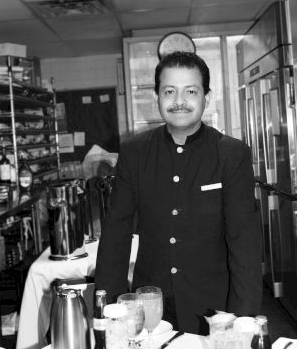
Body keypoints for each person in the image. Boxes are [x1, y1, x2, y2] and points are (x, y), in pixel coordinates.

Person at [95, 51, 262, 334]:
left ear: (206, 98)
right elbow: (116, 235)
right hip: (151, 306)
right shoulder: (135, 153)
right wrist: (109, 312)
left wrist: (243, 320)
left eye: (191, 91)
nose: (179, 101)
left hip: (215, 308)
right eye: (169, 91)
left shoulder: (231, 155)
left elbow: (244, 244)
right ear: (156, 98)